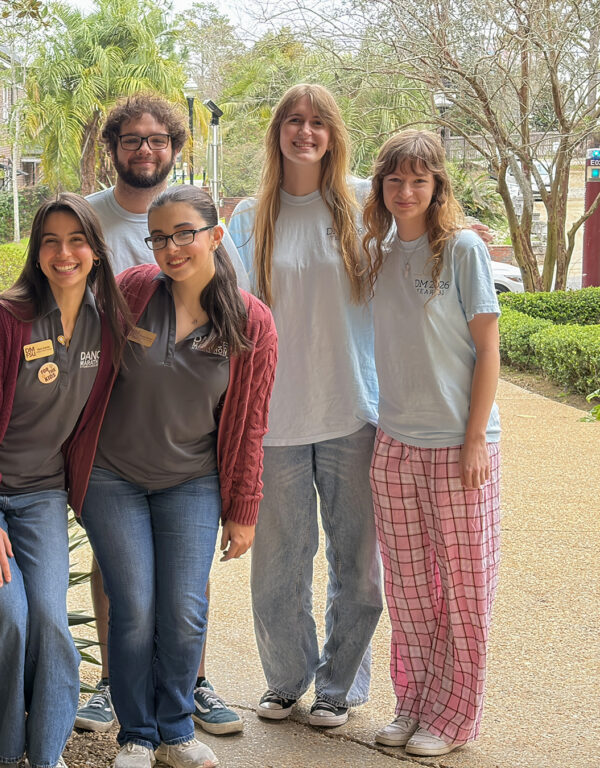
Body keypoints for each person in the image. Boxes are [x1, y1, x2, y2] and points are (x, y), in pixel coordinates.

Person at [66, 184, 278, 768]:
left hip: (191, 481)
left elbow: (250, 424)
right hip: (114, 477)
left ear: (215, 235)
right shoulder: (134, 291)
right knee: (133, 605)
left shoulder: (251, 323)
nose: (171, 247)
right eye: (160, 236)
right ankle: (136, 734)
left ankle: (176, 729)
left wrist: (243, 508)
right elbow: (71, 345)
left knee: (184, 608)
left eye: (184, 233)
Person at [0, 193, 130, 768]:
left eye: (77, 240)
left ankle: (47, 752)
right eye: (50, 242)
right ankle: (7, 748)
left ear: (95, 251)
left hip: (42, 496)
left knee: (52, 623)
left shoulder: (104, 325)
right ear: (37, 253)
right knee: (6, 621)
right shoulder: (5, 318)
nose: (65, 253)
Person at [77, 92, 249, 738]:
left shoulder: (191, 214)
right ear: (114, 149)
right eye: (131, 140)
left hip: (185, 422)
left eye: (156, 140)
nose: (144, 149)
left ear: (174, 149)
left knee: (183, 586)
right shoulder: (90, 218)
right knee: (119, 573)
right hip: (115, 426)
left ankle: (192, 682)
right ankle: (108, 687)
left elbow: (235, 309)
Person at [227, 83, 383, 727]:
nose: (305, 131)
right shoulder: (249, 216)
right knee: (278, 567)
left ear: (333, 133)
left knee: (358, 564)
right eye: (293, 119)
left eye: (318, 121)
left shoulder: (364, 205)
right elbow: (227, 312)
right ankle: (288, 679)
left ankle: (340, 684)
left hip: (352, 408)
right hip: (276, 419)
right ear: (277, 132)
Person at [362, 129, 501, 758]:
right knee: (412, 591)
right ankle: (413, 702)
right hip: (395, 443)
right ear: (381, 186)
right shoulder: (381, 252)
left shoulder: (463, 250)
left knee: (466, 588)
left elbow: (488, 349)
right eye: (395, 179)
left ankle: (454, 717)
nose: (406, 190)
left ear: (438, 184)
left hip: (458, 445)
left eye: (419, 179)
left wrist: (475, 438)